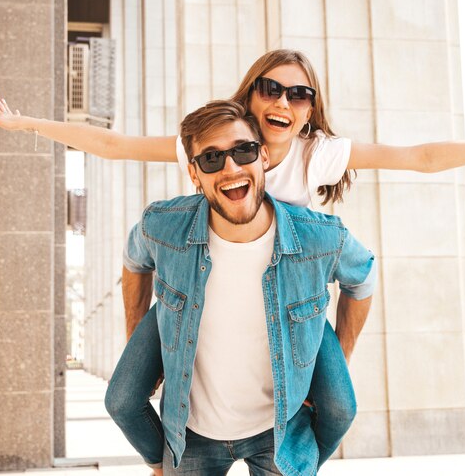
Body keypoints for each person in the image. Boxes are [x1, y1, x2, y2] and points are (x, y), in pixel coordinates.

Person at [0, 48, 465, 468]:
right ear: (252, 95)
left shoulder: (317, 154)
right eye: (272, 87)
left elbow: (419, 157)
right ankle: (169, 457)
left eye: (300, 93)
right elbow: (111, 144)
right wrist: (25, 125)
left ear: (309, 110)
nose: (284, 101)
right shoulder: (214, 140)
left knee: (340, 401)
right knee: (124, 395)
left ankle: (290, 460)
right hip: (202, 295)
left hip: (289, 303)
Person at [119, 99, 375, 475]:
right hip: (191, 434)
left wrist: (339, 356)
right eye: (211, 159)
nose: (231, 168)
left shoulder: (320, 237)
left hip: (280, 436)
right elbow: (133, 261)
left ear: (265, 157)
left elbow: (363, 278)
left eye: (244, 151)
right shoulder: (163, 226)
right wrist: (140, 340)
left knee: (341, 408)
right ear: (194, 173)